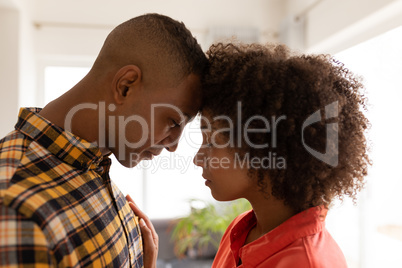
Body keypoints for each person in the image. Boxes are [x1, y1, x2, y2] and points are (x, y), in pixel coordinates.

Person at [0, 13, 207, 267]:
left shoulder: (93, 169)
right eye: (174, 122)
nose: (174, 145)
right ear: (125, 86)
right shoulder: (16, 208)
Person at [193, 42, 370, 267]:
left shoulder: (304, 263)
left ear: (262, 147)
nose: (197, 158)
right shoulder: (239, 231)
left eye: (211, 141)